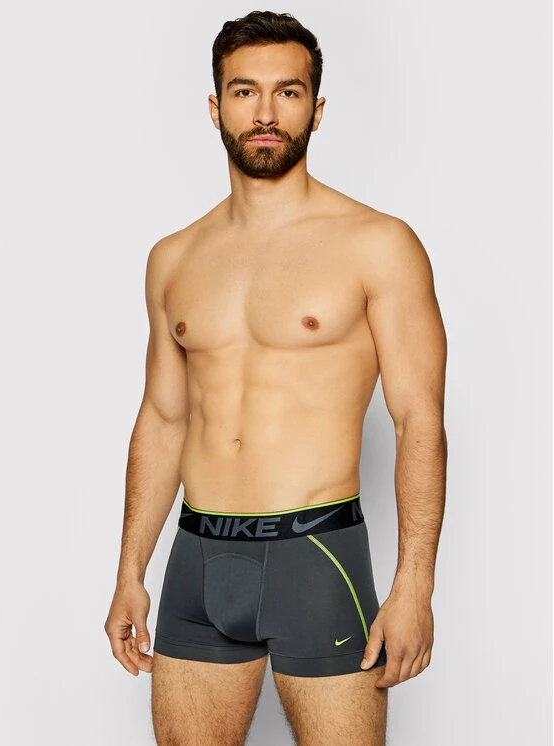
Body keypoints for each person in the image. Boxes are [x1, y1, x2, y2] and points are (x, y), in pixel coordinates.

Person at [104, 10, 448, 746]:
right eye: (244, 91)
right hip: (197, 563)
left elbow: (418, 418)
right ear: (215, 107)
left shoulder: (378, 244)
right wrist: (130, 569)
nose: (265, 113)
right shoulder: (174, 258)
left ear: (316, 109)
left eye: (287, 92)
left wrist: (415, 584)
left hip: (317, 558)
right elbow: (163, 417)